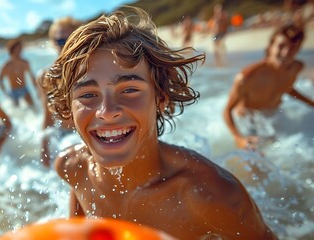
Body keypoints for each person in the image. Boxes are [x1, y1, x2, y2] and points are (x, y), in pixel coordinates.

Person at [43, 7, 277, 240]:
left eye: (130, 90)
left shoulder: (209, 195)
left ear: (161, 99)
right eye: (87, 95)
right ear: (69, 107)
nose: (107, 112)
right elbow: (78, 230)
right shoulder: (72, 167)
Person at [223, 23, 314, 151]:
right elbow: (227, 110)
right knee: (255, 157)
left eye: (293, 47)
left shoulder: (296, 67)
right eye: (281, 46)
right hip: (249, 119)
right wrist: (238, 138)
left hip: (274, 115)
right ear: (270, 46)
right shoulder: (247, 77)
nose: (286, 52)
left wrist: (311, 103)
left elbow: (287, 88)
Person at [36, 16, 82, 167]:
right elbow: (47, 114)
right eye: (60, 41)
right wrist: (44, 147)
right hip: (62, 135)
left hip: (88, 132)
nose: (65, 44)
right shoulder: (45, 76)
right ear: (53, 43)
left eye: (70, 38)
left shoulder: (91, 70)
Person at [0, 38, 37, 109]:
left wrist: (37, 90)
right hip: (13, 91)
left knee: (34, 108)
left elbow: (32, 77)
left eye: (20, 49)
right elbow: (0, 79)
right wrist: (5, 92)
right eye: (17, 49)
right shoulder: (7, 65)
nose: (19, 51)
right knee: (17, 112)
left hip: (24, 89)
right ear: (12, 50)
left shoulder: (25, 62)